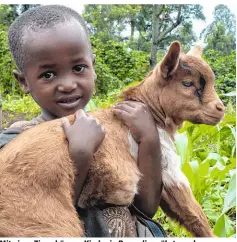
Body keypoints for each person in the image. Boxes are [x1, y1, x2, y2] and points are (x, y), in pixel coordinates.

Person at [0, 5, 165, 237]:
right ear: (24, 81)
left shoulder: (113, 131)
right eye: (48, 74)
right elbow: (37, 217)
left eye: (78, 68)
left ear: (93, 68)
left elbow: (145, 208)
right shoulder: (17, 146)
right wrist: (80, 156)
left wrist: (149, 138)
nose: (68, 84)